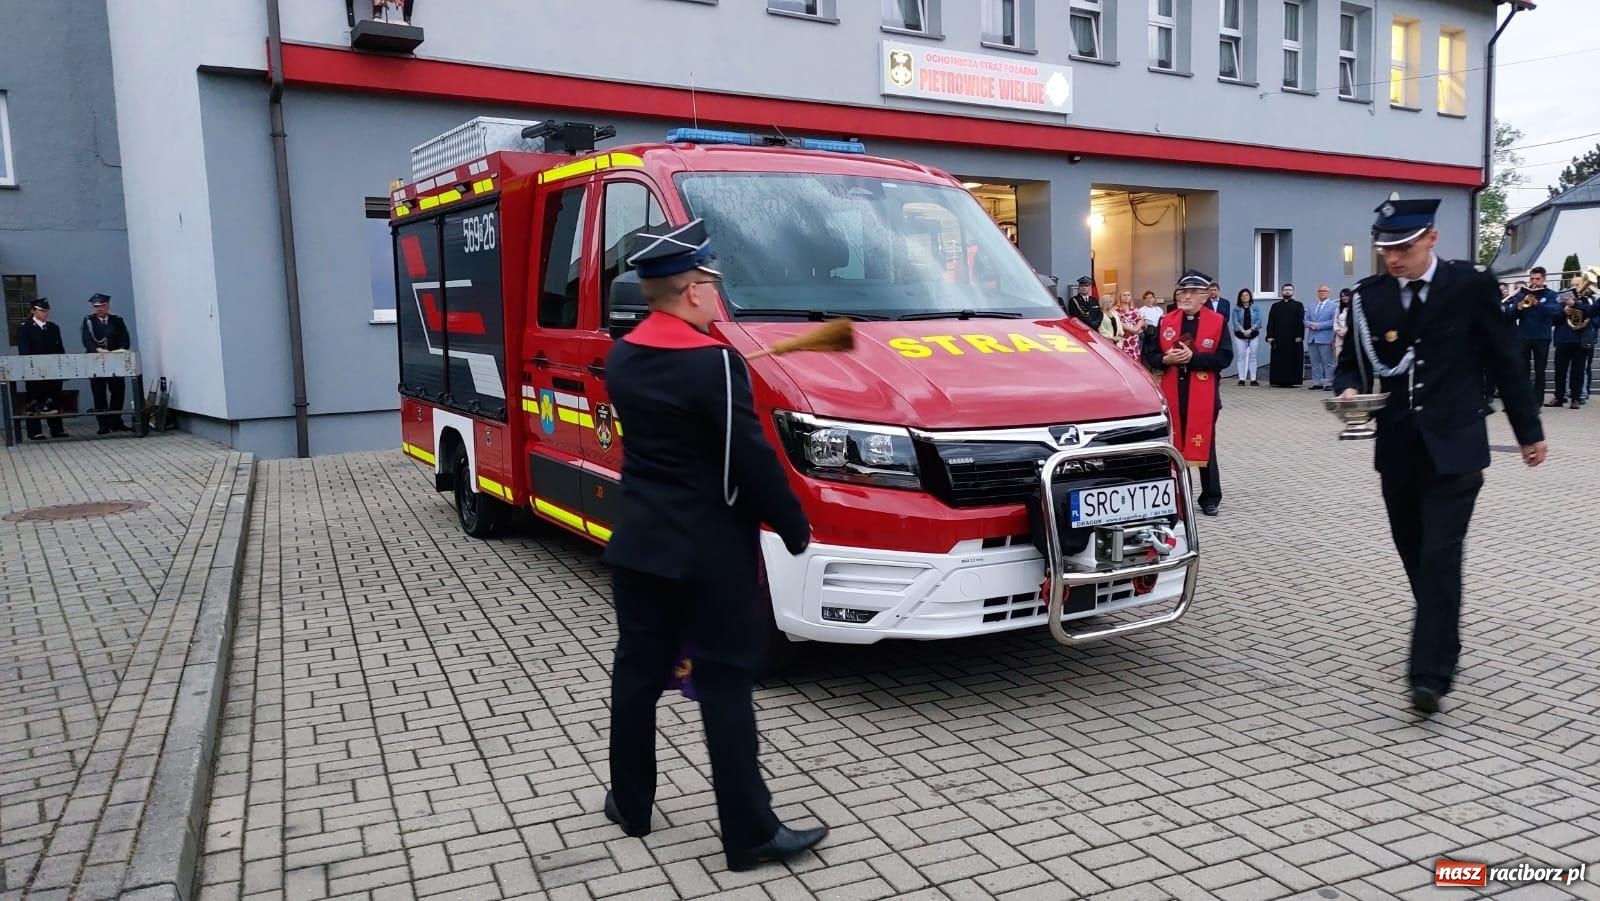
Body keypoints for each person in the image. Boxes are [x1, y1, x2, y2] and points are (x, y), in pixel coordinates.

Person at [599, 219, 827, 871]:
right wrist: (792, 522)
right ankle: (750, 833)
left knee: (637, 674)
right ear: (693, 288)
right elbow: (747, 457)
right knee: (724, 682)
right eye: (710, 285)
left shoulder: (622, 356)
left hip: (639, 545)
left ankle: (632, 804)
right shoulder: (715, 361)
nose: (715, 296)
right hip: (708, 553)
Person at [1333, 197, 1546, 717]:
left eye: (1403, 248)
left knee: (1440, 556)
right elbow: (1350, 365)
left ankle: (1429, 676)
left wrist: (1528, 430)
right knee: (1414, 553)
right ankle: (1443, 636)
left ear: (1430, 237)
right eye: (1385, 250)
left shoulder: (1469, 285)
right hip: (1399, 448)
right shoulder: (1369, 296)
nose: (1393, 259)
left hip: (1456, 445)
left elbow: (1505, 357)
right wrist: (1347, 391)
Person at [1143, 269, 1232, 516]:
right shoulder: (1166, 320)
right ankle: (1178, 497)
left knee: (1205, 444)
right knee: (1174, 445)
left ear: (1205, 296)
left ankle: (1210, 497)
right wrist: (1166, 358)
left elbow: (1225, 358)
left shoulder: (1217, 322)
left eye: (1193, 292)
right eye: (1183, 291)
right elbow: (1149, 356)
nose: (1186, 296)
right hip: (1174, 392)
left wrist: (1194, 359)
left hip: (1203, 395)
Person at [16, 298, 68, 440]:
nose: (45, 314)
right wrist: (32, 368)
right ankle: (34, 431)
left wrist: (60, 366)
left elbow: (59, 349)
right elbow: (24, 351)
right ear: (34, 311)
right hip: (35, 371)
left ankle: (57, 429)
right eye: (42, 311)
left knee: (54, 399)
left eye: (46, 311)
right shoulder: (25, 328)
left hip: (52, 370)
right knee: (34, 399)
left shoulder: (53, 327)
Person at [81, 293, 133, 434]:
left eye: (102, 306)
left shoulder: (117, 320)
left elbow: (125, 338)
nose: (99, 309)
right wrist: (97, 349)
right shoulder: (88, 321)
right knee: (99, 393)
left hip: (115, 361)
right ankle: (103, 424)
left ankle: (116, 421)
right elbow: (87, 340)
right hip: (97, 361)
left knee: (118, 391)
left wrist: (121, 349)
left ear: (107, 306)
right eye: (96, 306)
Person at [1510, 267, 1561, 405]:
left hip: (1541, 337)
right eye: (1532, 278)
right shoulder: (1522, 294)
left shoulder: (1551, 295)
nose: (1534, 281)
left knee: (1540, 371)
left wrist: (1537, 303)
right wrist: (1519, 307)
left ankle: (1537, 402)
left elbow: (1554, 311)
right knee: (1522, 370)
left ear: (1544, 279)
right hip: (1523, 336)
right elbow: (1511, 315)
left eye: (1537, 279)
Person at [1265, 283, 1305, 386]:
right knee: (1279, 359)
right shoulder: (1275, 306)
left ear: (1293, 292)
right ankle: (1278, 381)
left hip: (1293, 338)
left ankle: (1292, 381)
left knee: (1292, 359)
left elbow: (1300, 322)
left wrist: (1299, 335)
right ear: (1282, 292)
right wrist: (1269, 336)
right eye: (1285, 290)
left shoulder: (1298, 305)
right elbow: (1271, 322)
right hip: (1279, 338)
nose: (1287, 291)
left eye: (1290, 290)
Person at [1305, 285, 1339, 390]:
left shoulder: (1334, 306)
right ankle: (1317, 382)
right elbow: (1304, 319)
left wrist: (1319, 325)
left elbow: (1333, 321)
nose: (1322, 292)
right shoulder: (1311, 305)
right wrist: (1310, 324)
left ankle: (1329, 382)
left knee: (1328, 362)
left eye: (1324, 291)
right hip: (1312, 338)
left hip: (1325, 338)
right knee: (1315, 362)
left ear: (1328, 292)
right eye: (1320, 291)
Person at [1230, 288, 1262, 386]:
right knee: (1241, 356)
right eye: (1242, 295)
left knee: (1253, 356)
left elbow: (1259, 320)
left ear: (1250, 296)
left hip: (1253, 334)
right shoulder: (1236, 309)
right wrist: (1243, 330)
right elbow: (1235, 321)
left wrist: (1251, 330)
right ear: (1240, 297)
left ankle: (1253, 379)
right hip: (1240, 334)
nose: (1245, 297)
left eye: (1246, 295)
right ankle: (1241, 379)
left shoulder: (1256, 307)